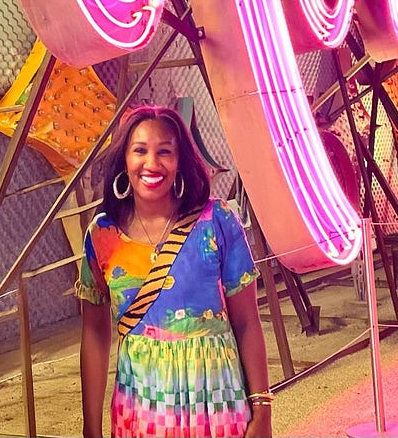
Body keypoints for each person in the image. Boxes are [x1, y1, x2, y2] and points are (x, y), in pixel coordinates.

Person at [77, 105, 272, 438]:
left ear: (180, 161)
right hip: (143, 408)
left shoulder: (217, 221)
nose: (151, 164)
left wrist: (263, 408)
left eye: (165, 152)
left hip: (216, 403)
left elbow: (247, 321)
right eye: (140, 151)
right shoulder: (102, 236)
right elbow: (95, 335)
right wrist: (90, 427)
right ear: (124, 159)